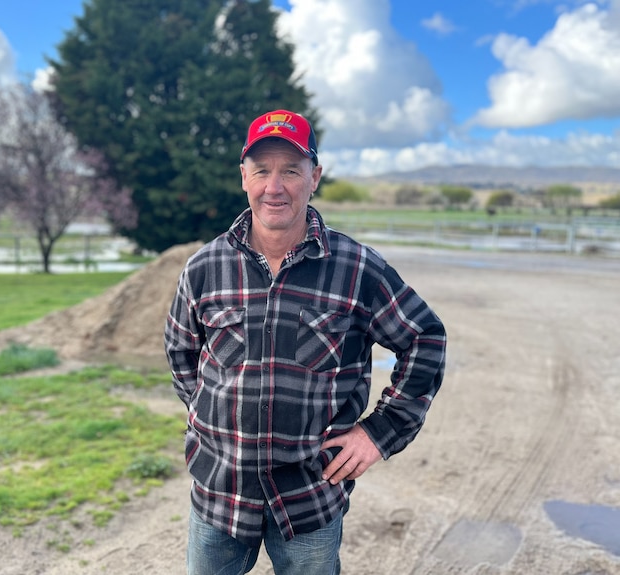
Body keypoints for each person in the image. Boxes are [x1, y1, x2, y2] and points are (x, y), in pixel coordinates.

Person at [164, 109, 447, 575]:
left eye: (291, 171)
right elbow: (181, 353)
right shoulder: (204, 268)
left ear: (314, 176)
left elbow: (425, 339)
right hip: (220, 490)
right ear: (243, 178)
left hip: (309, 498)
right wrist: (211, 421)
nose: (275, 186)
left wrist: (379, 433)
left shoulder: (356, 268)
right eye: (262, 171)